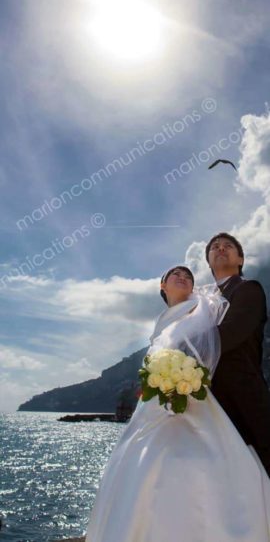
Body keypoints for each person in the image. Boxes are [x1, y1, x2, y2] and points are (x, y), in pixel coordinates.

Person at [86, 266, 270, 542]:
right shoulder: (162, 323)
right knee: (140, 469)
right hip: (155, 405)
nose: (184, 277)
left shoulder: (203, 308)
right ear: (163, 285)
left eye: (189, 276)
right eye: (176, 275)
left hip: (195, 394)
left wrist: (186, 373)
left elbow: (211, 344)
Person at [206, 232, 270, 476]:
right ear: (209, 262)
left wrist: (183, 354)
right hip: (210, 407)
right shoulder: (200, 301)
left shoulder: (249, 290)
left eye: (228, 246)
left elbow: (230, 333)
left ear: (240, 260)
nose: (221, 248)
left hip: (247, 406)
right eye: (215, 247)